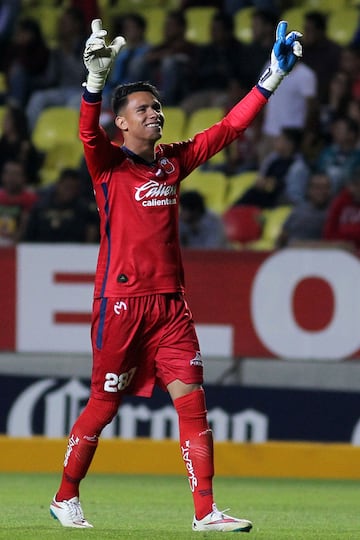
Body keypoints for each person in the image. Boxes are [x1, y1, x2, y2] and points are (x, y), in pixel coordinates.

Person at [49, 17, 302, 531]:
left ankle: (205, 511)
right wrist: (94, 85)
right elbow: (84, 131)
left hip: (170, 307)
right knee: (104, 403)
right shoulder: (107, 167)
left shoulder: (173, 162)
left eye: (157, 108)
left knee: (193, 402)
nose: (155, 114)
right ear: (121, 123)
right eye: (144, 109)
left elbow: (229, 128)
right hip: (119, 306)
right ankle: (65, 494)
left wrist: (270, 78)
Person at [234, 127, 311, 208]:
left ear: (289, 144)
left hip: (282, 201)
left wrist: (273, 185)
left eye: (280, 139)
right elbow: (261, 176)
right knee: (251, 192)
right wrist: (264, 183)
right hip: (265, 195)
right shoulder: (273, 158)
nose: (276, 142)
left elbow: (294, 197)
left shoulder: (299, 168)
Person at [23, 168, 99, 243]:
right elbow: (29, 235)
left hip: (74, 251)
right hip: (41, 250)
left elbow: (91, 232)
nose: (69, 192)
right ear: (58, 185)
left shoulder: (84, 211)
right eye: (67, 187)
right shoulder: (40, 208)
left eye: (73, 188)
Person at [276, 172, 332, 248]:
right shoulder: (297, 212)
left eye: (325, 187)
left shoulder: (335, 213)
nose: (321, 191)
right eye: (317, 187)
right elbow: (282, 238)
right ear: (309, 190)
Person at [0, 159, 38, 245]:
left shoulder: (31, 199)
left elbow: (28, 225)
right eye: (9, 174)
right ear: (3, 176)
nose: (12, 178)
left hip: (20, 243)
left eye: (16, 174)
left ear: (23, 178)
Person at [322, 165, 360, 251]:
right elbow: (328, 232)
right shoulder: (340, 201)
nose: (359, 189)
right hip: (340, 249)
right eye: (356, 185)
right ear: (350, 186)